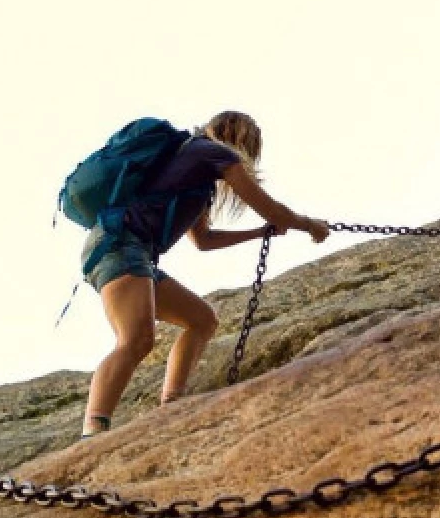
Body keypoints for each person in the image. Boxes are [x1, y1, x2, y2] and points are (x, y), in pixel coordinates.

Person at [79, 110, 329, 438]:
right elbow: (271, 208)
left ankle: (172, 404)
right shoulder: (211, 153)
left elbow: (203, 240)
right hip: (120, 246)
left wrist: (259, 233)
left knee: (202, 320)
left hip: (130, 252)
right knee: (136, 339)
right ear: (239, 140)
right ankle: (93, 430)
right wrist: (308, 225)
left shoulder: (196, 170)